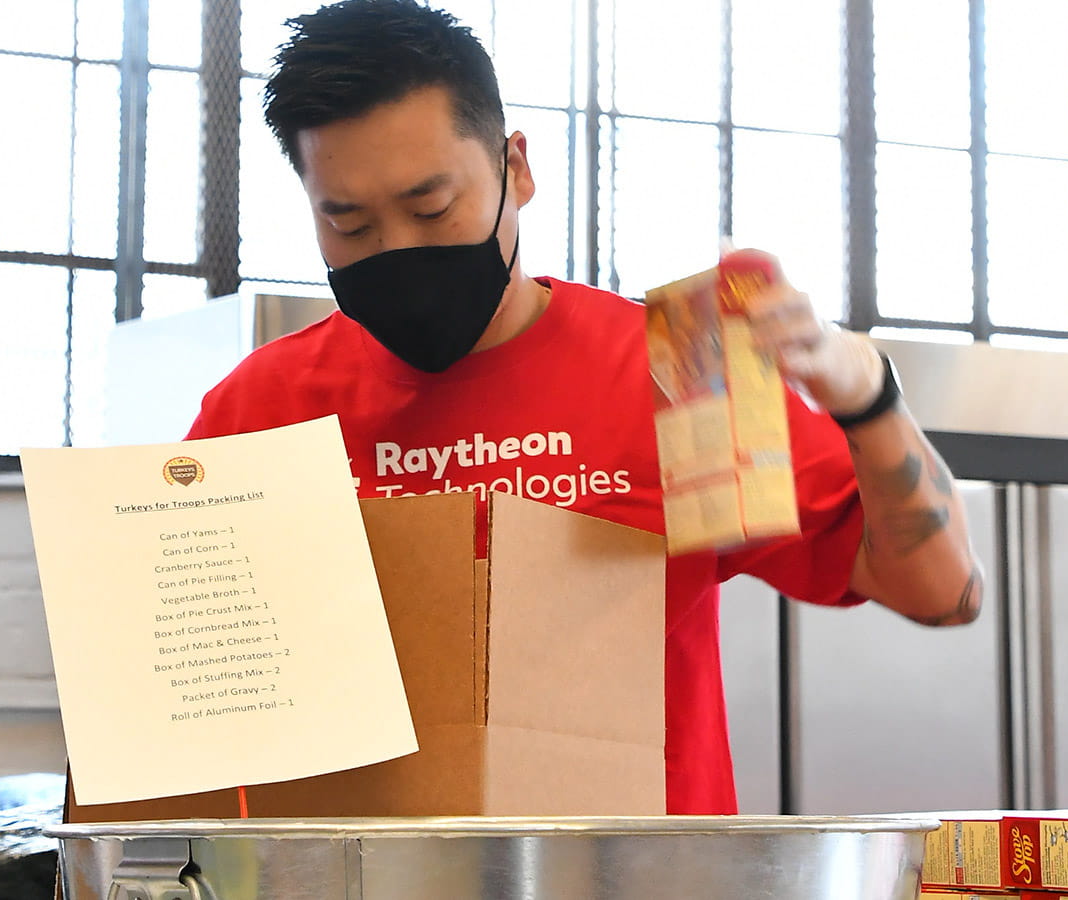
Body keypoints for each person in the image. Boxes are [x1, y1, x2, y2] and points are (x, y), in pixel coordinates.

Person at [186, 0, 982, 815]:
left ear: (516, 169)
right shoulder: (264, 411)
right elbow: (190, 709)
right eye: (347, 223)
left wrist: (867, 396)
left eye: (431, 209)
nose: (397, 250)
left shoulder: (673, 376)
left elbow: (941, 591)